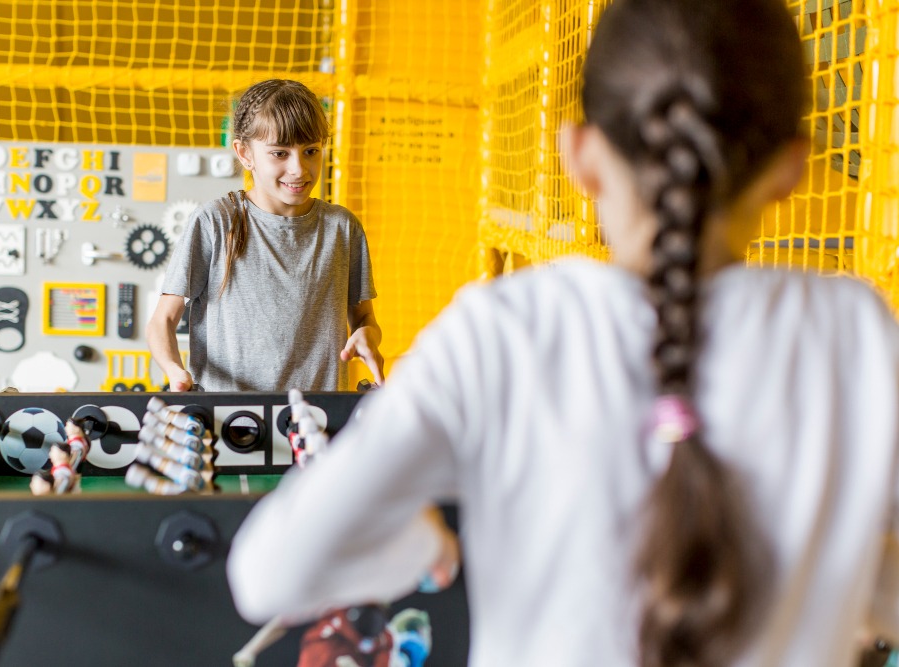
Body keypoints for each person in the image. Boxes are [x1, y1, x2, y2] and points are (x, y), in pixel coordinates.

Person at [228, 0, 899, 665]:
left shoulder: (504, 330)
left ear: (578, 155)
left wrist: (413, 544)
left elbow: (268, 573)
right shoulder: (857, 331)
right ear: (792, 167)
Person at [147, 79, 383, 392]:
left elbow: (364, 315)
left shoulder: (342, 227)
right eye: (279, 154)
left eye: (311, 151)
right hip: (231, 420)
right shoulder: (216, 221)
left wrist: (369, 335)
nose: (299, 169)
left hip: (316, 419)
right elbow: (162, 320)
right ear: (245, 153)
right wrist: (175, 371)